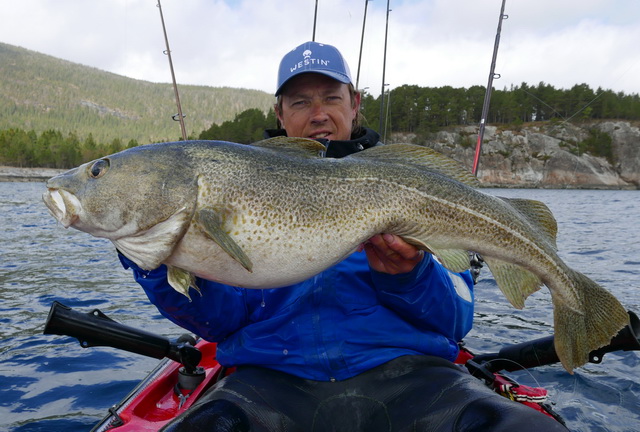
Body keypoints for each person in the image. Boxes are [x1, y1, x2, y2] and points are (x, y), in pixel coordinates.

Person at [119, 41, 568, 431]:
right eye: (299, 102)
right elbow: (218, 323)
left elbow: (455, 321)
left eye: (331, 97)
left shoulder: (405, 181)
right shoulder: (236, 186)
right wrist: (157, 265)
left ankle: (576, 301)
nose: (318, 114)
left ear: (354, 103)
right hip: (269, 384)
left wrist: (407, 276)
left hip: (411, 377)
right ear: (279, 113)